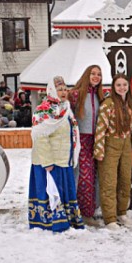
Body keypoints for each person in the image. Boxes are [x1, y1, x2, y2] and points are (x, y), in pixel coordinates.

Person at [28, 76, 83, 233]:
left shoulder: (66, 109)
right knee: (51, 192)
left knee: (63, 192)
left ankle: (67, 220)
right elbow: (40, 138)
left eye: (65, 89)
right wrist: (47, 162)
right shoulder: (43, 110)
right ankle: (50, 223)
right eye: (59, 89)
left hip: (63, 160)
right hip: (48, 163)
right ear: (52, 90)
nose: (63, 92)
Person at [93, 74, 132, 230]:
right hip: (110, 144)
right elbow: (101, 128)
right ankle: (110, 218)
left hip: (126, 145)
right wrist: (99, 150)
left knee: (125, 180)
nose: (122, 88)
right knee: (109, 181)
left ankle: (121, 212)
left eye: (124, 85)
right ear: (114, 88)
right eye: (118, 85)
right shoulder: (107, 105)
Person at [69, 65, 106, 226]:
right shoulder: (76, 95)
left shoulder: (100, 96)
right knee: (84, 176)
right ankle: (82, 213)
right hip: (81, 139)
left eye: (99, 74)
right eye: (93, 73)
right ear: (87, 75)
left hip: (96, 141)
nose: (96, 77)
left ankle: (92, 209)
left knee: (95, 176)